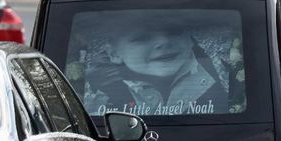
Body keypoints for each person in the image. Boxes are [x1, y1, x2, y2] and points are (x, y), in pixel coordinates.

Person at [80, 14, 231, 117]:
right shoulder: (102, 93)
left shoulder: (208, 72)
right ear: (114, 54)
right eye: (142, 37)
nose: (164, 42)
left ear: (190, 40)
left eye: (174, 31)